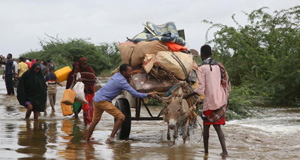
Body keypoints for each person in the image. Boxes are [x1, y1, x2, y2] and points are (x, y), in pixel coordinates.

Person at [86, 64, 156, 144]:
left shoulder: (117, 75)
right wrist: (147, 95)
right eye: (129, 71)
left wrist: (134, 72)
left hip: (97, 98)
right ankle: (110, 138)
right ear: (124, 72)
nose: (131, 73)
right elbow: (135, 94)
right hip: (103, 100)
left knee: (95, 121)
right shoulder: (122, 81)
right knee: (121, 117)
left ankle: (86, 139)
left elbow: (128, 75)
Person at [184, 45, 230, 157]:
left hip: (210, 101)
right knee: (218, 127)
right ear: (210, 53)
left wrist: (187, 95)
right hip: (221, 99)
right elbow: (226, 82)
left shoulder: (202, 68)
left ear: (202, 54)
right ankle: (224, 151)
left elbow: (200, 89)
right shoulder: (219, 65)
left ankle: (206, 152)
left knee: (206, 127)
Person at [71, 57, 97, 125]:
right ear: (80, 64)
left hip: (90, 91)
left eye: (86, 64)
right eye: (83, 64)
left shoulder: (90, 70)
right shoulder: (77, 71)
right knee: (85, 108)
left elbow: (94, 80)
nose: (85, 65)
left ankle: (89, 123)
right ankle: (86, 122)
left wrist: (83, 79)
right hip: (83, 92)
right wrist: (70, 89)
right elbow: (74, 81)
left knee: (91, 108)